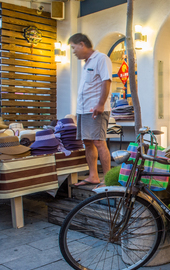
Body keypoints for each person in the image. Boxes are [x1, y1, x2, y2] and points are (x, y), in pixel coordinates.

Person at [68, 33, 112, 186]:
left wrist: (100, 104)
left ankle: (107, 179)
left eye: (74, 48)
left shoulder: (101, 58)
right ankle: (93, 176)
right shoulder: (86, 63)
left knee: (99, 142)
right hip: (83, 109)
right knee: (87, 142)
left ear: (82, 44)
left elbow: (106, 81)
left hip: (96, 109)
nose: (73, 52)